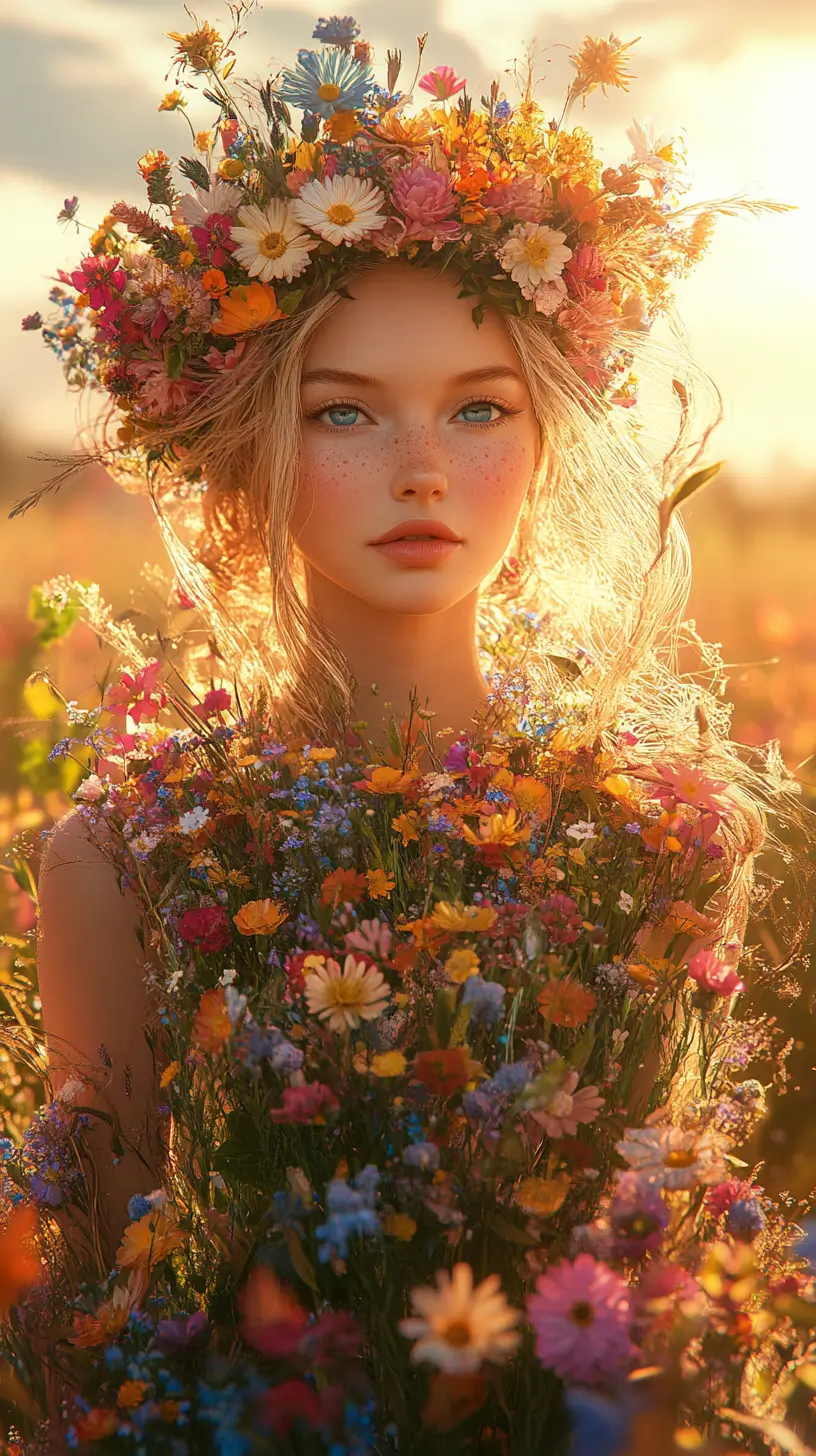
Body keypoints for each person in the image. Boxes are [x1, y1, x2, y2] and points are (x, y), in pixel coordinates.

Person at [15, 12, 808, 1453]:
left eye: (479, 407)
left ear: (552, 433)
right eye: (344, 415)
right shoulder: (122, 859)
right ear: (241, 443)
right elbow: (98, 1330)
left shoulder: (668, 830)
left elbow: (670, 1296)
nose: (425, 468)